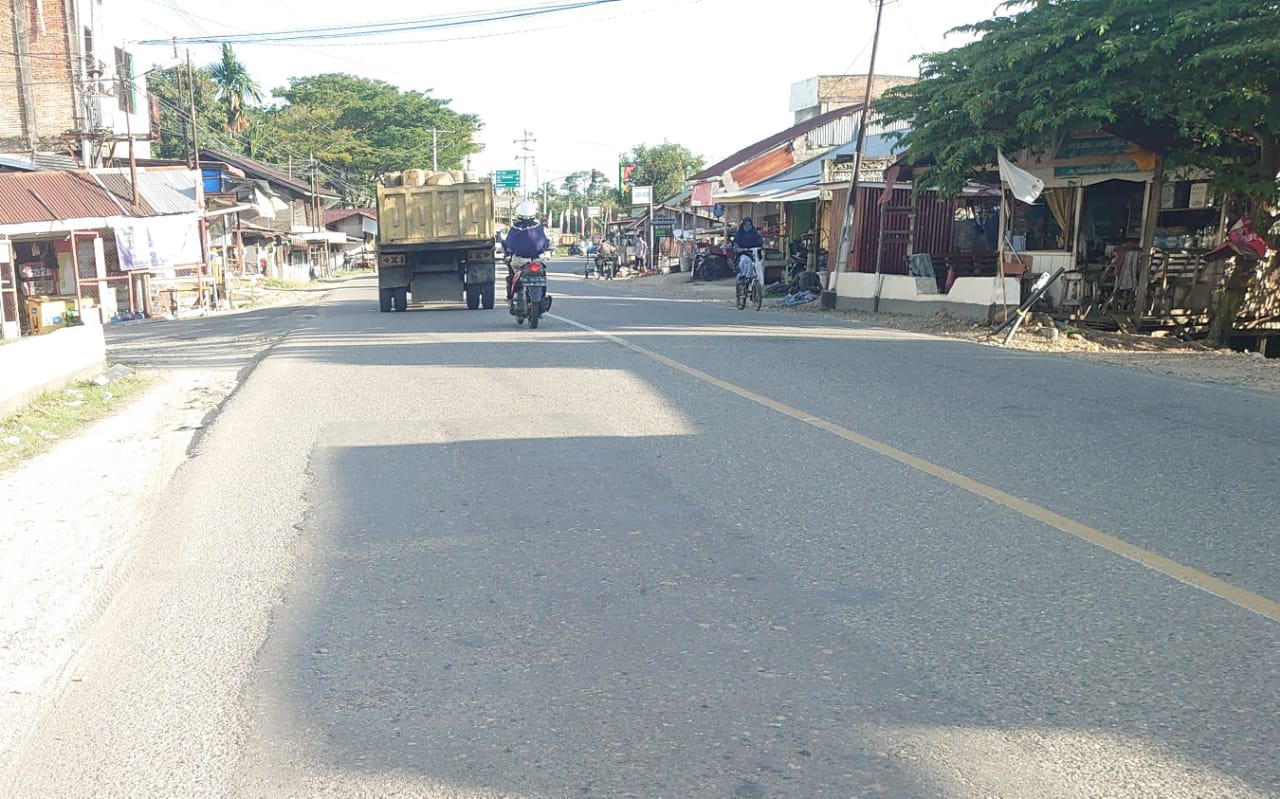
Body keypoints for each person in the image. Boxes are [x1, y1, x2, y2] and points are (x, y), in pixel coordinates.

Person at [503, 200, 551, 302]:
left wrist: (507, 253)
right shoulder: (538, 228)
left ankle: (510, 297)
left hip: (518, 261)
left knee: (511, 276)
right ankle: (543, 297)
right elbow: (545, 243)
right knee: (542, 274)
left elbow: (509, 244)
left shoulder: (515, 228)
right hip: (536, 260)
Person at [733, 217, 764, 281]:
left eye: (749, 224)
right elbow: (735, 245)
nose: (747, 226)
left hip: (754, 253)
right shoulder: (739, 234)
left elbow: (759, 242)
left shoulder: (755, 233)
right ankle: (743, 277)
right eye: (746, 224)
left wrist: (762, 245)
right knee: (745, 261)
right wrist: (738, 249)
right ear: (743, 225)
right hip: (743, 253)